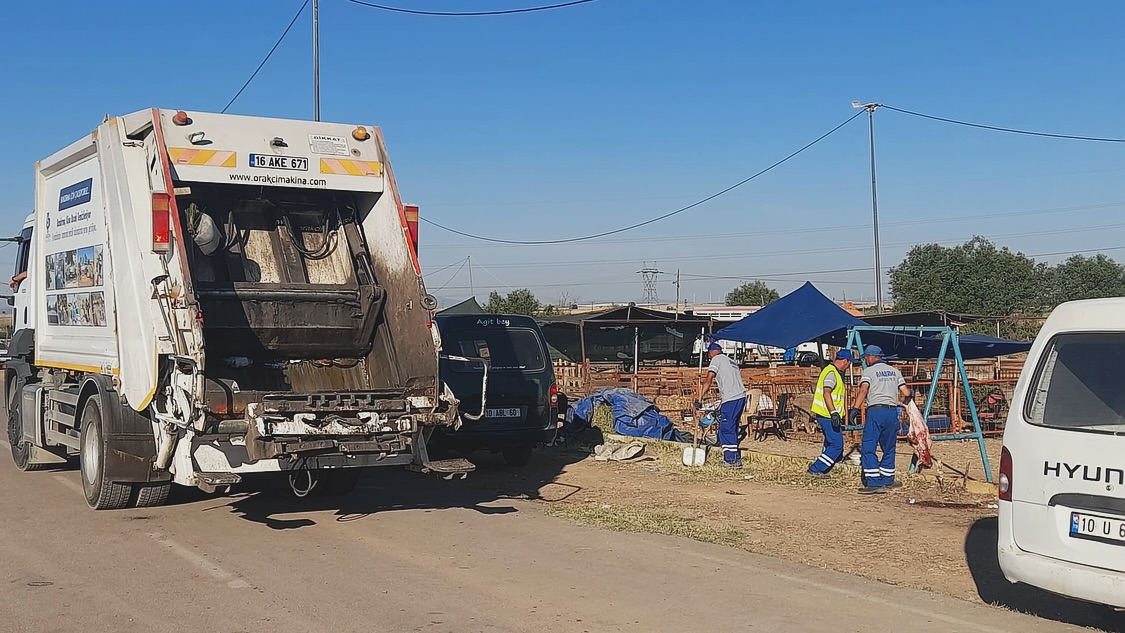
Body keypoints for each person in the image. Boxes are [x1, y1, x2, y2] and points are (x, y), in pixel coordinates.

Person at [849, 345, 912, 494]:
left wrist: (855, 409)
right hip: (892, 412)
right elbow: (906, 391)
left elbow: (863, 390)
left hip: (876, 411)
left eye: (866, 358)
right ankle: (888, 479)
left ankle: (873, 482)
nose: (866, 360)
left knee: (869, 447)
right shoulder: (895, 371)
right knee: (889, 447)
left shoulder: (869, 371)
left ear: (871, 357)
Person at [807, 349, 857, 477]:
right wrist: (834, 412)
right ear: (845, 361)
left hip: (826, 414)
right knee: (836, 445)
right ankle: (815, 469)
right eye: (849, 363)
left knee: (831, 442)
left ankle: (834, 463)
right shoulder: (832, 373)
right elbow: (826, 392)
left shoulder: (831, 371)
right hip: (827, 415)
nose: (849, 366)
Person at [696, 342, 747, 468]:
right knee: (733, 427)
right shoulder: (731, 361)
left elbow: (708, 380)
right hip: (740, 397)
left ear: (711, 352)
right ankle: (734, 456)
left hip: (731, 398)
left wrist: (699, 399)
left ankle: (730, 460)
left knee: (726, 428)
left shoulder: (716, 360)